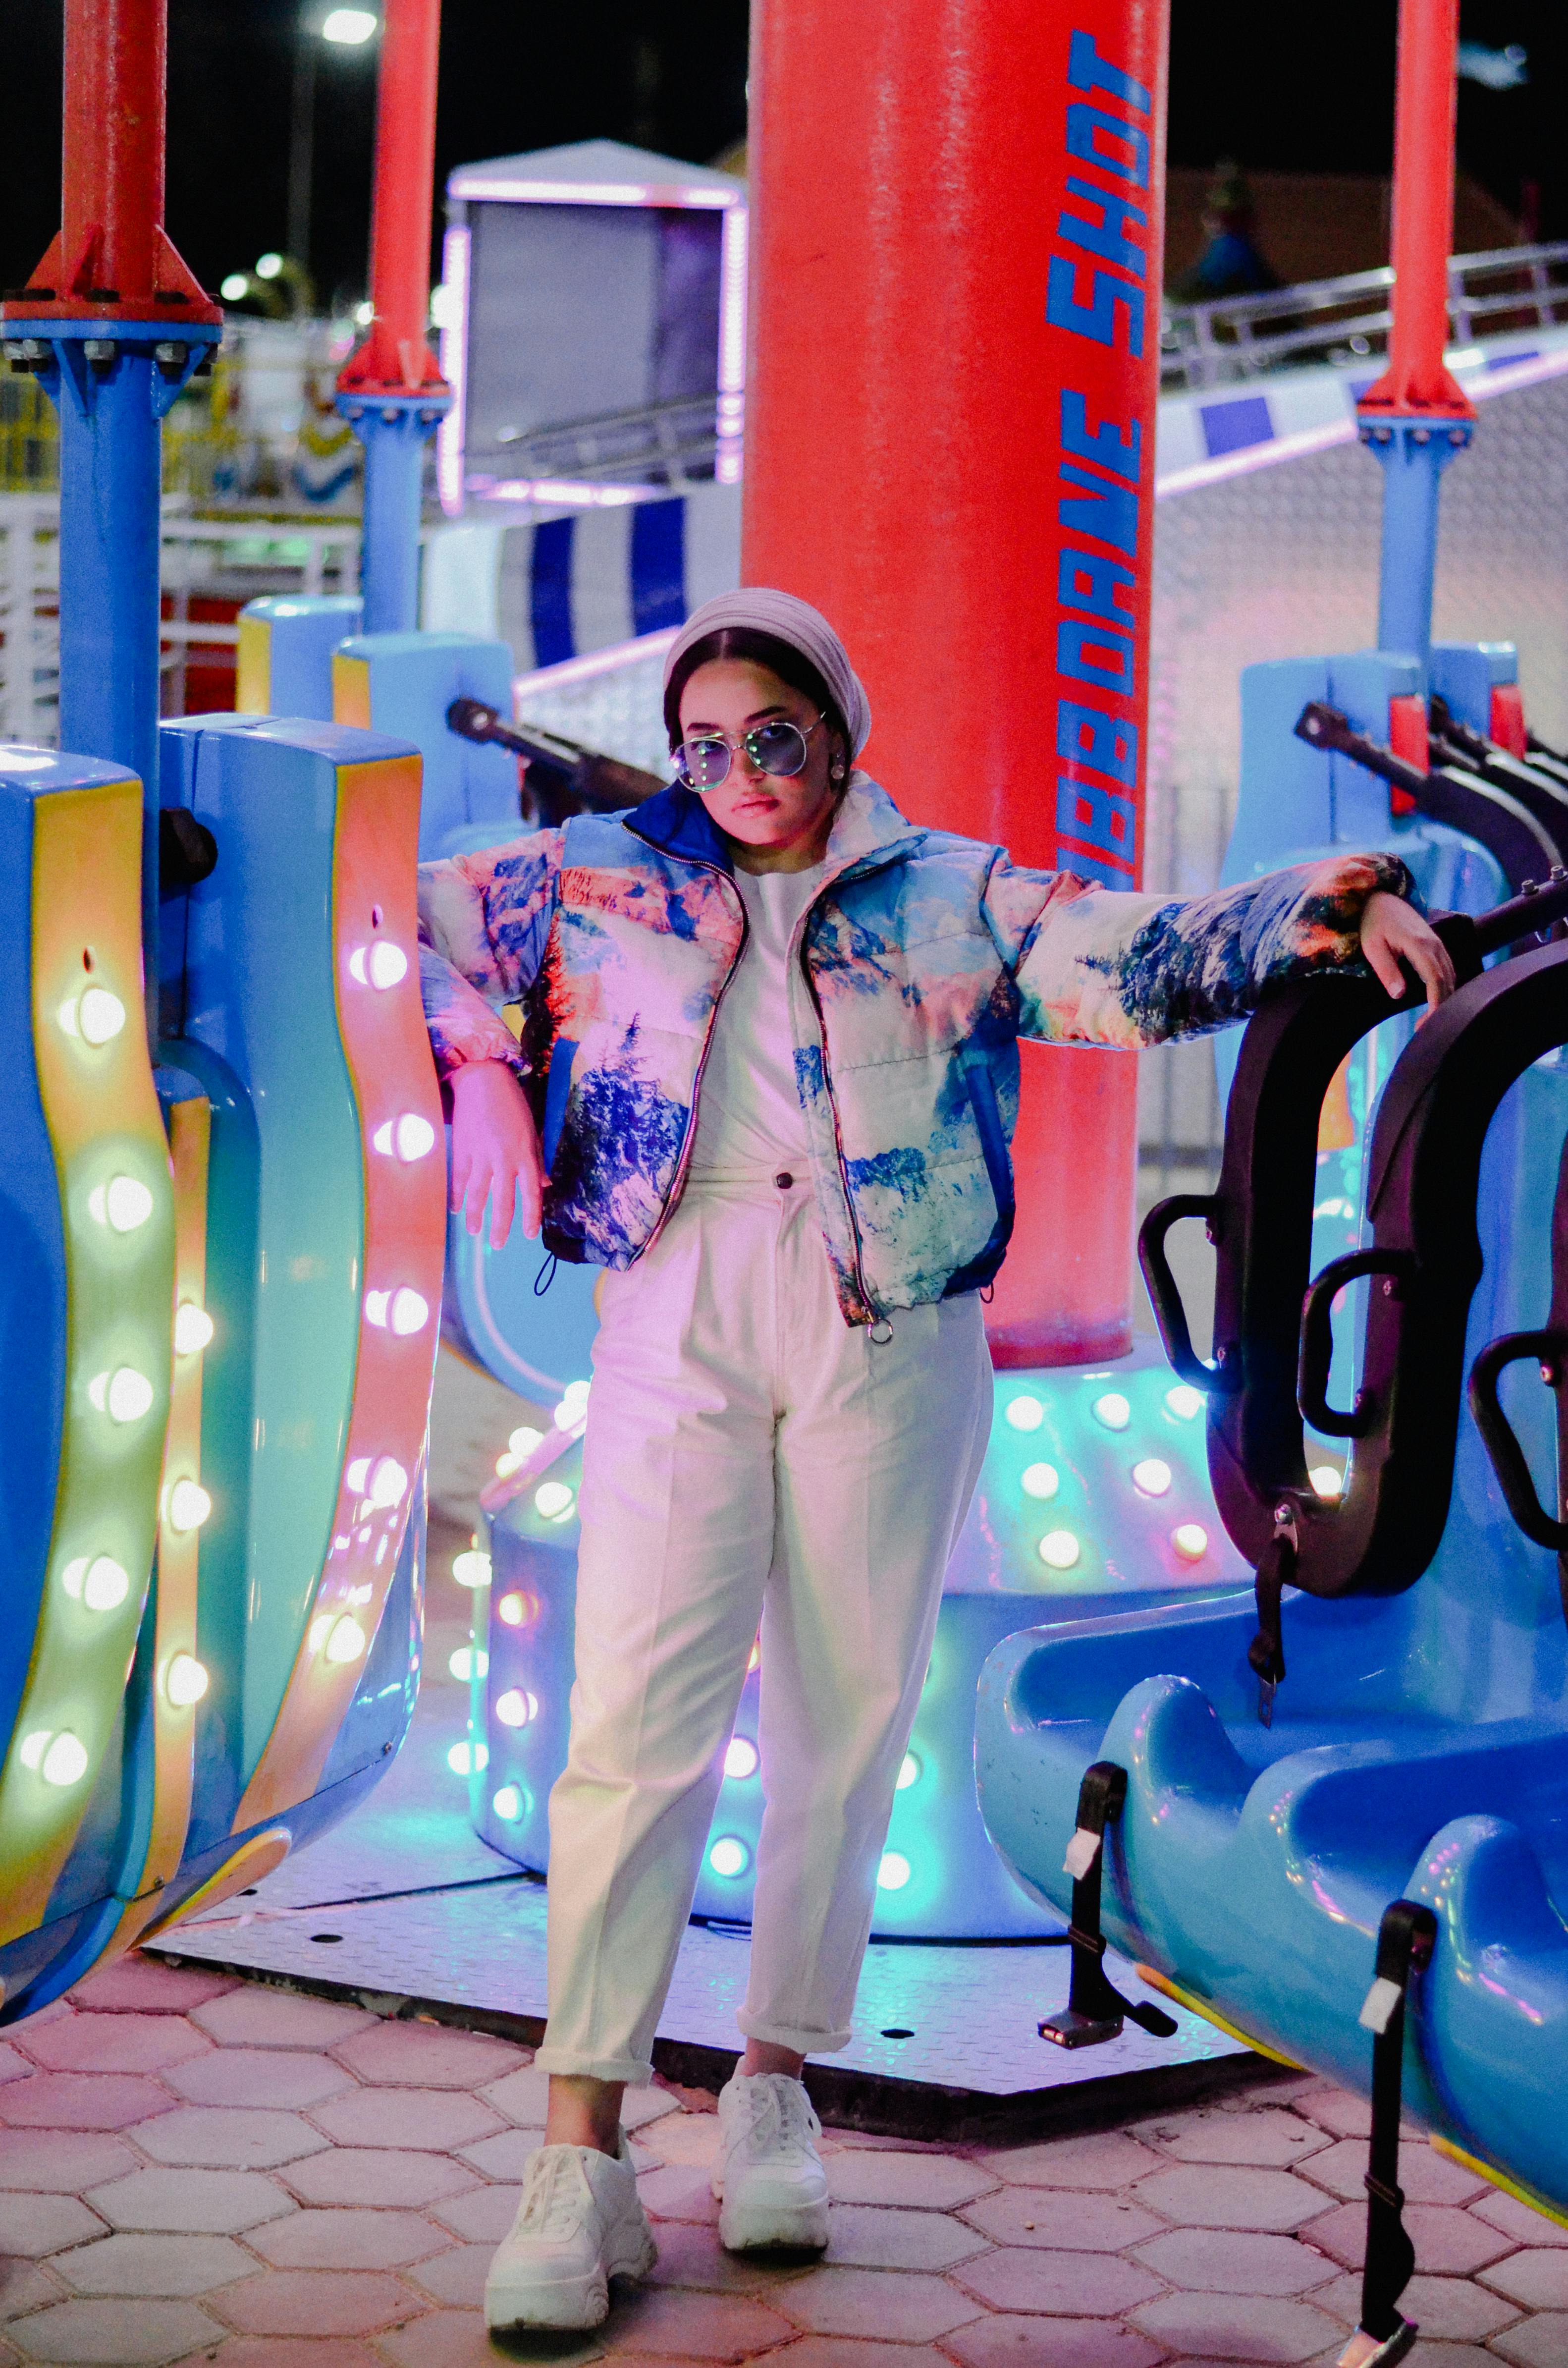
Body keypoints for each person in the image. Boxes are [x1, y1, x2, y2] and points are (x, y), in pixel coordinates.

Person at [417, 588, 1454, 2331]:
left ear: (838, 728)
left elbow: (1141, 955)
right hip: (673, 1309)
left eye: (777, 737)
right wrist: (481, 1075)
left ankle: (772, 2079)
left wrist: (1335, 909)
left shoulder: (953, 892)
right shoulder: (599, 871)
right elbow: (424, 918)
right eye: (708, 742)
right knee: (631, 1727)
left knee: (844, 1713)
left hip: (892, 1331)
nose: (743, 774)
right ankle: (578, 2139)